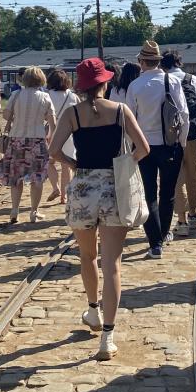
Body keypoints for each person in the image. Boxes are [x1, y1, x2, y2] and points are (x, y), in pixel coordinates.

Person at [49, 58, 151, 361]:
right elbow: (143, 148)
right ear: (105, 83)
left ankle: (92, 310)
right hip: (113, 189)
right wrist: (125, 164)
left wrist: (74, 165)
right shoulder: (120, 111)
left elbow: (54, 151)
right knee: (113, 265)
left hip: (82, 188)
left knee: (87, 255)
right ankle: (107, 336)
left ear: (81, 86)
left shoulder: (72, 114)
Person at [126, 40, 189, 258]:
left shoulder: (135, 86)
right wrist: (181, 142)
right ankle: (162, 235)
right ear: (158, 61)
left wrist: (130, 147)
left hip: (143, 146)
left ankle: (155, 243)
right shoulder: (171, 81)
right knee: (168, 193)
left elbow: (129, 120)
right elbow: (184, 114)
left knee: (149, 194)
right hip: (169, 145)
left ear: (141, 61)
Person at [0, 66, 56, 223]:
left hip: (16, 139)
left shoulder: (16, 94)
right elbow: (53, 123)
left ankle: (14, 210)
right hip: (38, 140)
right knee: (37, 178)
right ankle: (34, 212)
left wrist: (18, 118)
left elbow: (6, 114)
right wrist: (50, 139)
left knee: (16, 177)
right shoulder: (45, 97)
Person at [162, 50, 196, 237]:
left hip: (170, 138)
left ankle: (180, 220)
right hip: (192, 137)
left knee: (176, 179)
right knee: (193, 176)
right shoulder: (193, 80)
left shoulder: (163, 81)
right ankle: (192, 214)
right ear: (179, 62)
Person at [46, 67, 80, 205]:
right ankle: (64, 196)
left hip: (51, 132)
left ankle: (55, 188)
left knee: (49, 162)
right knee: (66, 165)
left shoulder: (47, 95)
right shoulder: (72, 96)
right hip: (69, 134)